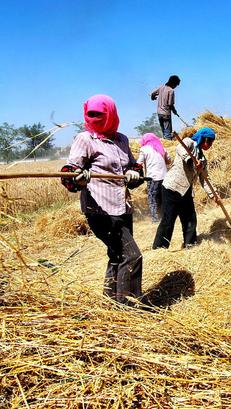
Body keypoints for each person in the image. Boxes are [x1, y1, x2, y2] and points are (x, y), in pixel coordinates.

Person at [60, 94, 144, 306]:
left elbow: (133, 167)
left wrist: (134, 174)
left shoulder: (122, 140)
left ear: (111, 114)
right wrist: (78, 177)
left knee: (117, 255)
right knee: (132, 255)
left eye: (99, 114)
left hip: (122, 207)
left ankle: (111, 304)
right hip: (99, 210)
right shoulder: (85, 139)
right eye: (91, 114)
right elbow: (69, 174)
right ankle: (129, 305)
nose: (94, 118)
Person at [153, 127, 216, 249]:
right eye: (210, 141)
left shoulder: (202, 159)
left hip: (186, 190)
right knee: (168, 220)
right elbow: (180, 148)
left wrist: (214, 195)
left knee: (190, 219)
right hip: (172, 187)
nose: (210, 145)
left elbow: (205, 179)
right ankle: (159, 248)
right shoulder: (188, 142)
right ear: (204, 139)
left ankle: (190, 245)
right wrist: (190, 160)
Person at [138, 133, 171, 223]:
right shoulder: (162, 148)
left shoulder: (144, 149)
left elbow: (138, 163)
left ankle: (155, 220)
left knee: (152, 199)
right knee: (162, 198)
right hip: (165, 177)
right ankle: (165, 217)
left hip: (152, 178)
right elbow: (169, 161)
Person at [150, 75, 180, 140]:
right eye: (176, 85)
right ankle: (168, 145)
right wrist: (174, 111)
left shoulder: (161, 87)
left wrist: (153, 98)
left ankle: (164, 144)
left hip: (159, 113)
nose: (175, 87)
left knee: (164, 131)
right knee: (168, 132)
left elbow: (152, 93)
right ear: (173, 83)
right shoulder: (171, 91)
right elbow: (170, 104)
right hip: (166, 113)